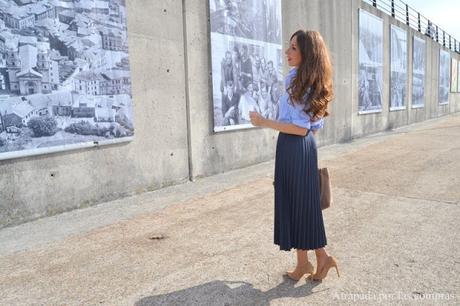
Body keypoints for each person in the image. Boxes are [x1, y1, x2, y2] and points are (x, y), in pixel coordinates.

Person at [249, 30, 339, 282]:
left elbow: (299, 127)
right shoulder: (309, 79)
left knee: (297, 204)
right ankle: (307, 262)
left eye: (293, 48)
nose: (287, 52)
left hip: (294, 144)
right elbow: (310, 128)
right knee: (299, 204)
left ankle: (318, 258)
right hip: (303, 147)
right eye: (288, 47)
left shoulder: (299, 81)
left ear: (307, 53)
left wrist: (263, 121)